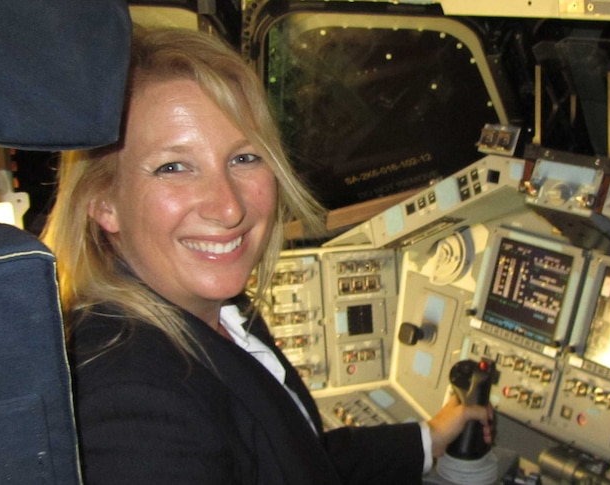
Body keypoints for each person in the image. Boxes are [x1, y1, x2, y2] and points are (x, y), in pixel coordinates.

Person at [41, 26, 491, 485]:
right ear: (103, 201)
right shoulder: (131, 404)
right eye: (173, 167)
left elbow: (292, 459)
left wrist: (428, 438)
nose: (229, 207)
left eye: (244, 158)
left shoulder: (222, 316)